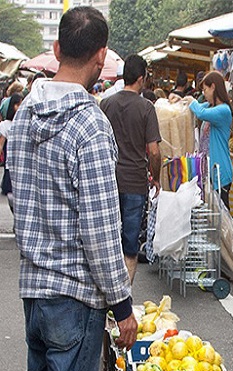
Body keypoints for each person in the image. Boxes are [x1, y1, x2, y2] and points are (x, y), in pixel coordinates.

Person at [6, 5, 136, 371]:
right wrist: (122, 303)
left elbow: (17, 198)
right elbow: (101, 229)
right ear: (102, 58)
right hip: (75, 297)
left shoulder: (24, 113)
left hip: (35, 289)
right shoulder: (89, 126)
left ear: (57, 50)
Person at [101, 54, 162, 282]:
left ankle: (107, 292)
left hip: (108, 181)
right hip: (136, 182)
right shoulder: (146, 108)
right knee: (130, 244)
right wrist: (156, 177)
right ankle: (124, 296)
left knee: (108, 241)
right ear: (141, 78)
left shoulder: (106, 104)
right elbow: (154, 151)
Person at [187, 71, 233, 208]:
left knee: (220, 215)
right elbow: (197, 108)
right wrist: (181, 100)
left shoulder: (224, 110)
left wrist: (191, 100)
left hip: (219, 172)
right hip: (208, 172)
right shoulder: (210, 106)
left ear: (213, 87)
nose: (204, 94)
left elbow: (200, 112)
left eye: (205, 90)